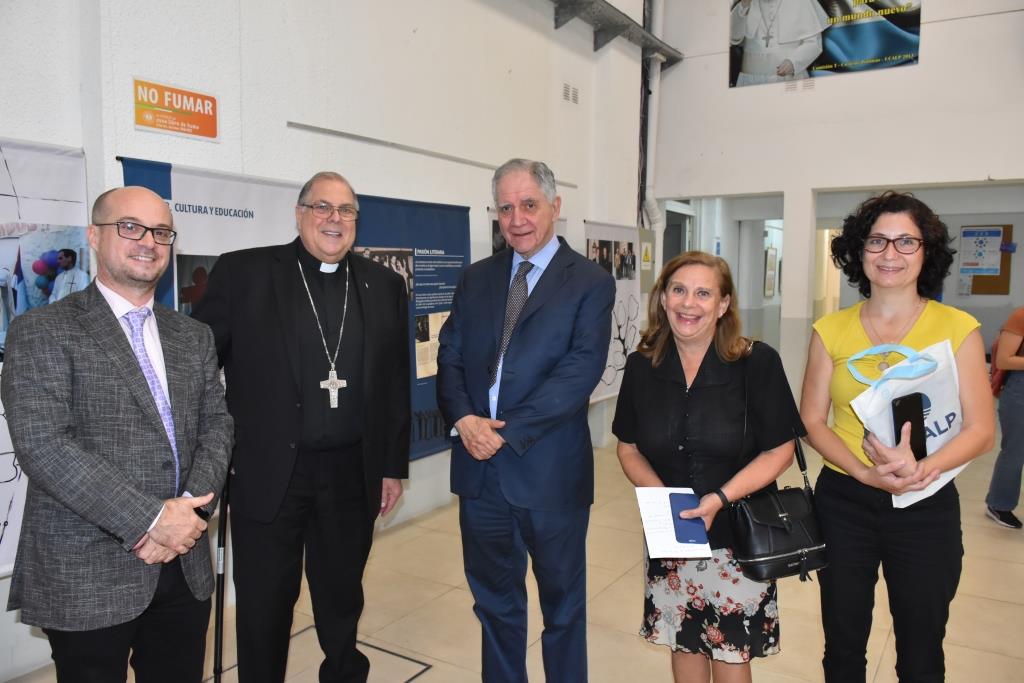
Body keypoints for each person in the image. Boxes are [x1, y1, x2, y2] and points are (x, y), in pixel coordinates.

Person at [1, 186, 233, 682]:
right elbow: (44, 445)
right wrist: (151, 519)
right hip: (87, 567)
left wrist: (189, 511)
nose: (148, 241)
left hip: (183, 563)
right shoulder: (41, 331)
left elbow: (218, 424)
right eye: (130, 226)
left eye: (161, 232)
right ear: (94, 236)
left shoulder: (193, 336)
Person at [192, 170, 410, 683]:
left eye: (347, 210)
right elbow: (197, 370)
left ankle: (343, 673)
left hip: (351, 473)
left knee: (341, 596)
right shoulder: (244, 274)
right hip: (269, 472)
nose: (335, 220)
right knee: (266, 600)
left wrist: (391, 466)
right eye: (322, 207)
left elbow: (395, 384)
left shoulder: (383, 285)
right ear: (299, 214)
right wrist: (212, 453)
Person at [800, 191, 995, 681]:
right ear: (858, 251)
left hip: (925, 504)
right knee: (842, 644)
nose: (890, 254)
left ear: (926, 251)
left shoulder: (958, 328)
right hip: (845, 500)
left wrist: (921, 470)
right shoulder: (831, 329)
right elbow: (812, 421)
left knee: (922, 646)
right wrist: (866, 473)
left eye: (906, 241)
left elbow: (981, 430)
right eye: (878, 241)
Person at [436, 158, 615, 682]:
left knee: (562, 610)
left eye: (529, 205)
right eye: (506, 207)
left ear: (555, 207)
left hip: (549, 474)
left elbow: (579, 373)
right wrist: (465, 419)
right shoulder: (477, 279)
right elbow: (449, 357)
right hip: (479, 476)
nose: (516, 219)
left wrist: (502, 434)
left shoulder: (589, 283)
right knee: (495, 607)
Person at [612, 251, 802, 682]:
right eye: (678, 290)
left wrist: (719, 498)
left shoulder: (757, 363)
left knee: (732, 653)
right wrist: (665, 501)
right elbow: (629, 449)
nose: (688, 303)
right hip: (673, 532)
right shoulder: (643, 366)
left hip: (738, 532)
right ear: (663, 298)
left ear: (723, 305)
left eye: (703, 293)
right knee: (683, 642)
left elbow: (779, 451)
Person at [984, 306, 1024, 528]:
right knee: (1016, 452)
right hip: (1020, 391)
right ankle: (999, 505)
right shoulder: (1021, 316)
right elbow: (1003, 360)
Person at [730, 0, 829, 86]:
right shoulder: (747, 3)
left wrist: (793, 62)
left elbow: (814, 43)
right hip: (749, 81)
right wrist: (743, 6)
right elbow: (732, 37)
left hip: (788, 79)